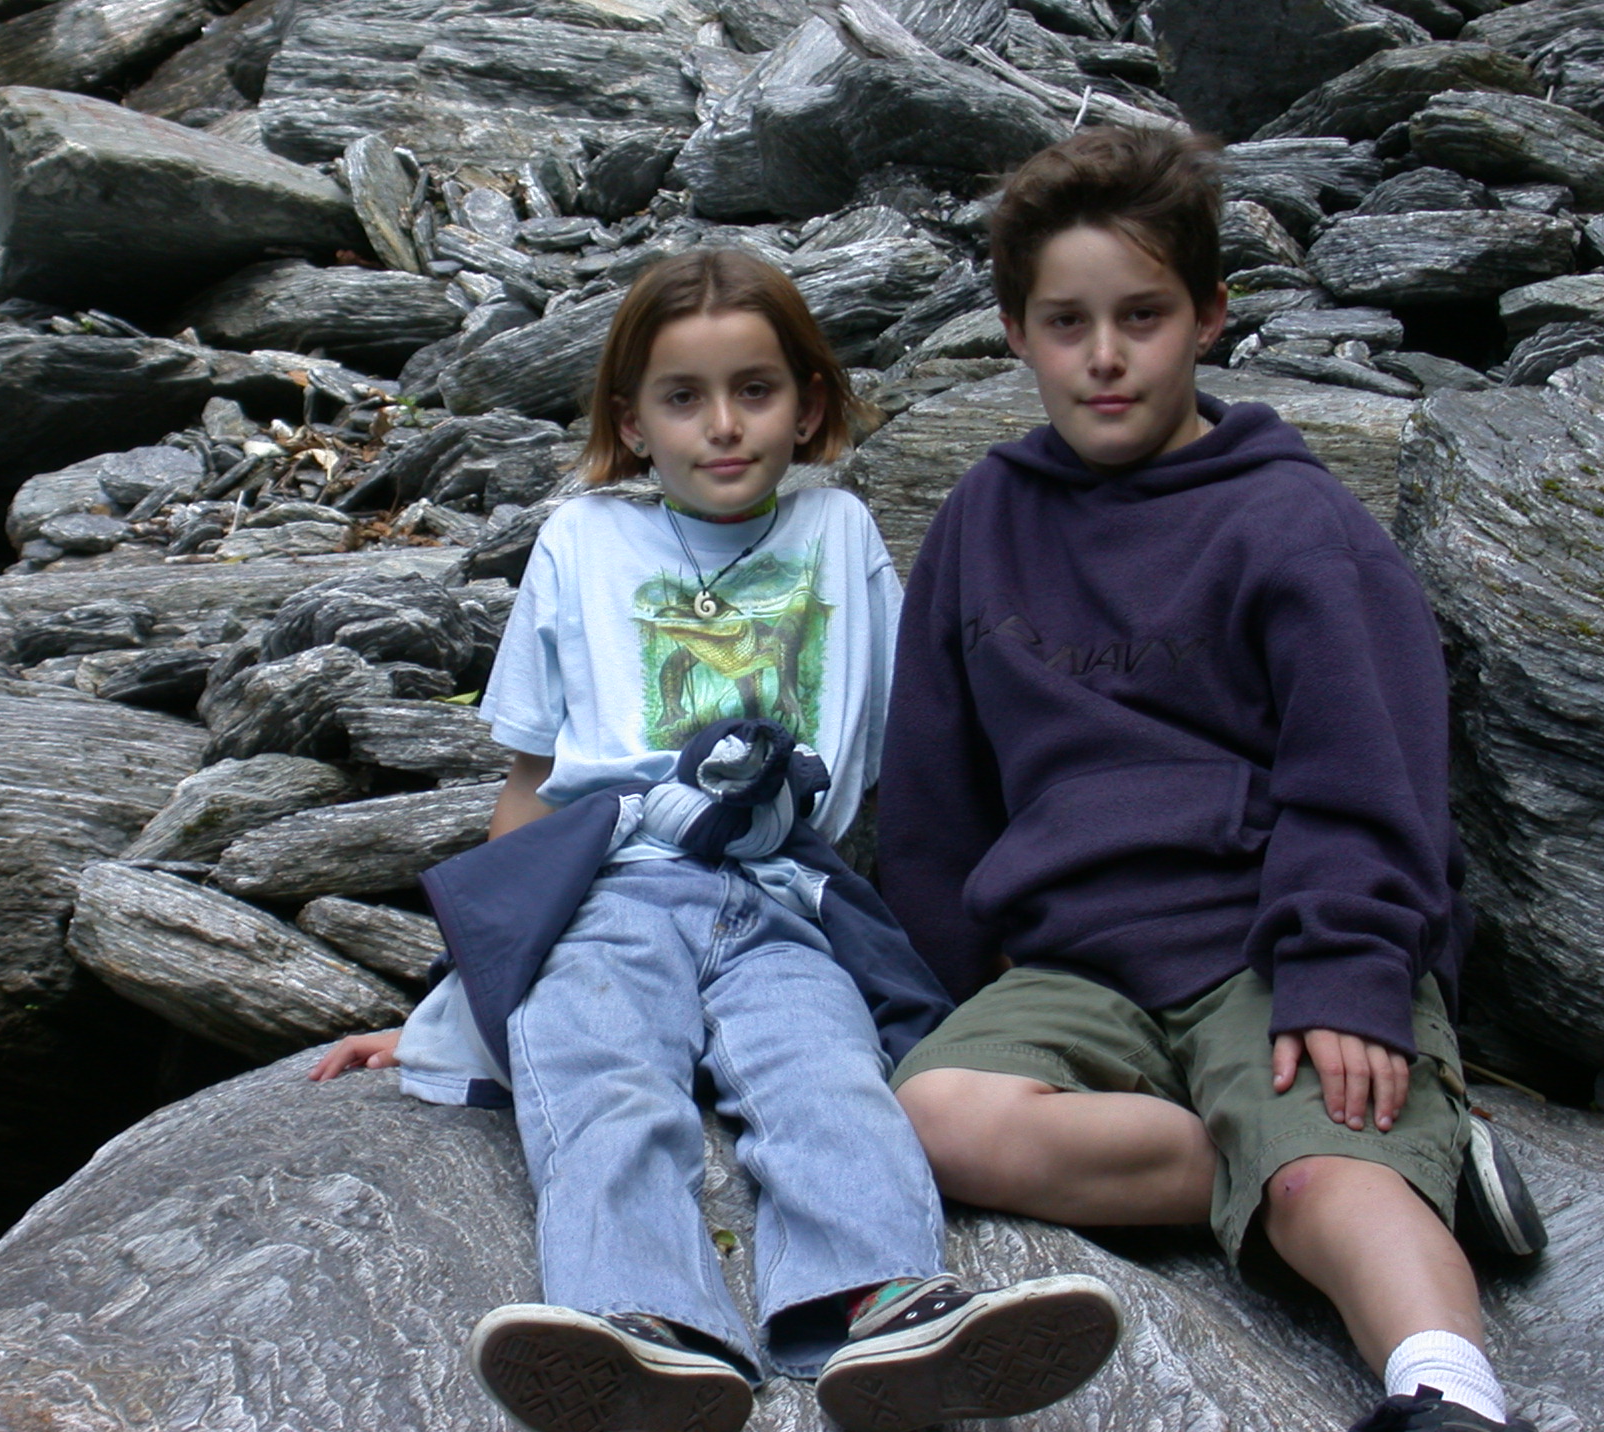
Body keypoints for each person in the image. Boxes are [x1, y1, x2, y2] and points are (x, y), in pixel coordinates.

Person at [312, 247, 1122, 1432]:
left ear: (808, 402)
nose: (723, 426)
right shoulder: (580, 542)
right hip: (613, 887)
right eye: (682, 398)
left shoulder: (838, 531)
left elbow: (915, 764)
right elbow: (530, 789)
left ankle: (885, 1304)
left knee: (826, 1074)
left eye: (755, 390)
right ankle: (641, 1323)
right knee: (595, 1068)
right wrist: (458, 996)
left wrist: (980, 953)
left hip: (785, 894)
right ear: (630, 422)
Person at [876, 125, 1546, 1432]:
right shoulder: (981, 519)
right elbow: (934, 790)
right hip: (1076, 966)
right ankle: (1358, 1159)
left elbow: (1370, 770)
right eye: (1066, 323)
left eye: (1142, 316)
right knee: (936, 1116)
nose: (1104, 355)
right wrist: (955, 983)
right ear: (1015, 334)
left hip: (1270, 944)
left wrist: (1348, 967)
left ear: (1210, 316)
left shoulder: (1291, 522)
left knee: (1322, 1184)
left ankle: (1445, 1390)